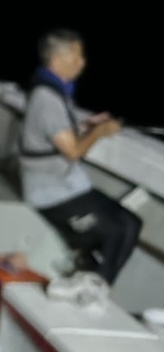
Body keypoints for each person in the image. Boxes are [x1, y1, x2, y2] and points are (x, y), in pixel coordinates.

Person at [18, 28, 143, 285]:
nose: (82, 63)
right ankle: (94, 284)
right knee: (116, 231)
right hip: (49, 193)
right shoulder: (46, 98)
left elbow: (59, 132)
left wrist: (87, 124)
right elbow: (73, 151)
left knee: (132, 222)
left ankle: (95, 281)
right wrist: (99, 131)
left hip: (66, 185)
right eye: (76, 57)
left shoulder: (53, 90)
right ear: (56, 61)